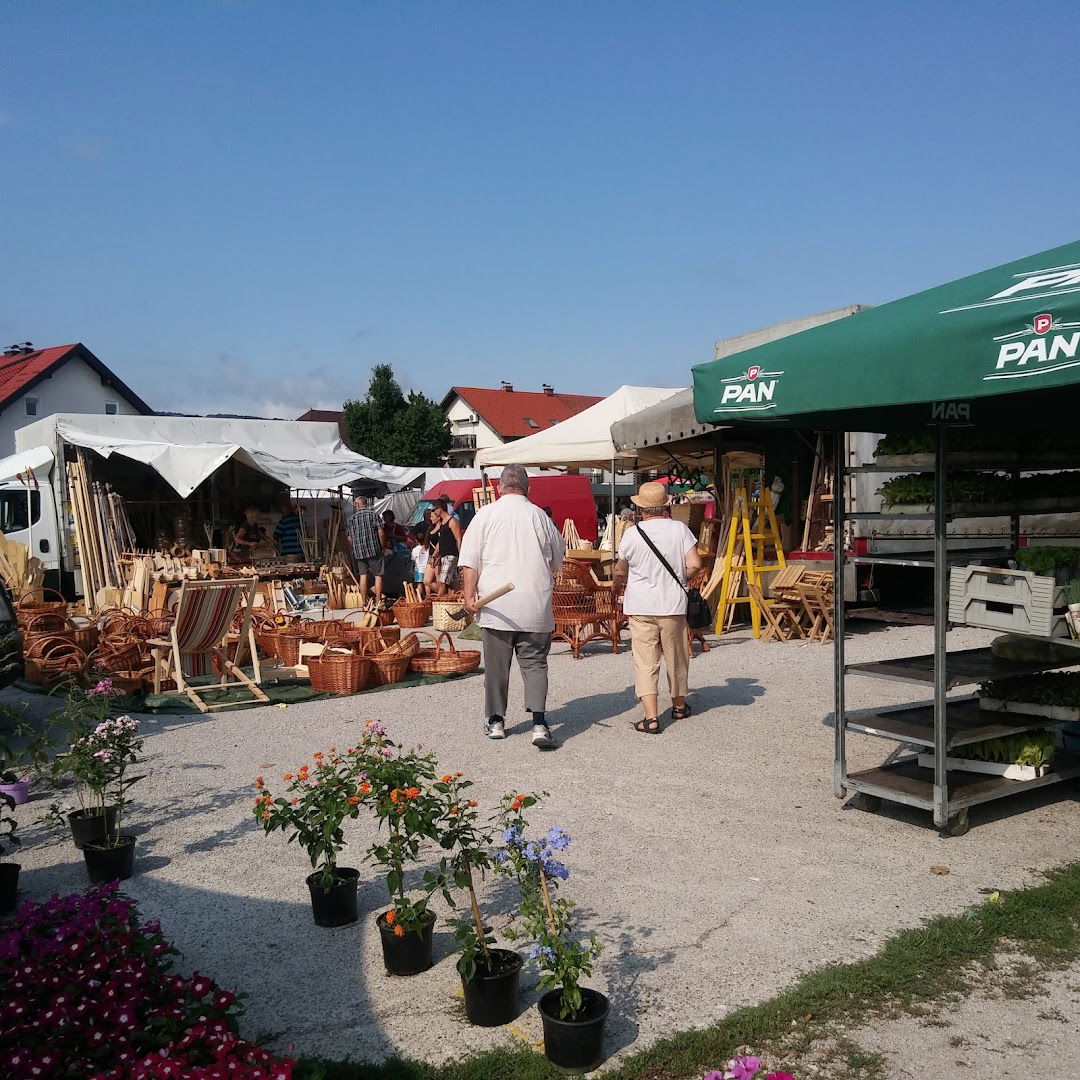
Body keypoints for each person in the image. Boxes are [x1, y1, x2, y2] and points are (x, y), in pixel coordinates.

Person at [459, 464, 565, 749]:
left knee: (496, 667)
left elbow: (470, 560)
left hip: (497, 606)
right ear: (528, 488)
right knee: (535, 665)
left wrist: (469, 595)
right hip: (534, 604)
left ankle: (496, 721)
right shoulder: (540, 516)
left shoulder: (485, 515)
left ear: (499, 487)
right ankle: (540, 723)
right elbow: (558, 560)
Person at [613, 481, 702, 734]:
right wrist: (680, 579)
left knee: (645, 661)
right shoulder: (680, 529)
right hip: (672, 604)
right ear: (665, 506)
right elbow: (695, 563)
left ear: (641, 508)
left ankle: (651, 718)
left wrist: (617, 586)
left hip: (641, 605)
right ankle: (679, 706)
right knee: (676, 656)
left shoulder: (632, 533)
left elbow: (621, 570)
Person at [347, 495, 386, 607]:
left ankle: (364, 603)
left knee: (363, 576)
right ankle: (378, 602)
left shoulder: (352, 519)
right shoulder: (374, 515)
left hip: (360, 553)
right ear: (366, 504)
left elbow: (349, 538)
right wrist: (383, 547)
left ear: (357, 505)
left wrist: (355, 548)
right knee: (378, 576)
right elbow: (381, 533)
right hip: (374, 550)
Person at [430, 497, 463, 597]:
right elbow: (441, 542)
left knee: (442, 580)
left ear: (440, 509)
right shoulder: (442, 523)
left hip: (451, 555)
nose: (433, 512)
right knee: (454, 583)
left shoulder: (452, 521)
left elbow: (458, 539)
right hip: (444, 555)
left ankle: (439, 601)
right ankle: (460, 598)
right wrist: (434, 555)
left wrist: (462, 557)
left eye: (434, 509)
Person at [411, 525, 431, 600]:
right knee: (427, 585)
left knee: (419, 585)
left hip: (418, 569)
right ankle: (428, 598)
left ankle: (418, 599)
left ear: (416, 540)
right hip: (426, 569)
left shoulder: (415, 549)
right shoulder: (428, 549)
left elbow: (412, 559)